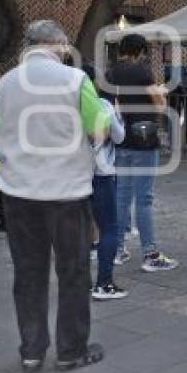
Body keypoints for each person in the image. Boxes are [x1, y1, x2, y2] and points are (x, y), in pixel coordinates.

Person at [0, 20, 109, 373]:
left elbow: (2, 133)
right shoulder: (75, 81)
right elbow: (98, 129)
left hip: (18, 191)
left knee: (28, 273)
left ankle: (31, 349)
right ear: (58, 45)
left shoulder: (1, 86)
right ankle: (71, 349)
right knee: (73, 272)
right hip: (66, 192)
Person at [107, 34, 178, 272]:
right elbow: (158, 104)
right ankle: (150, 253)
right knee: (144, 198)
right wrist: (160, 91)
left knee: (121, 196)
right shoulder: (141, 71)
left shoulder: (112, 72)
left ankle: (117, 249)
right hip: (144, 139)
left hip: (122, 137)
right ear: (140, 51)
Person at [82, 64, 128, 300]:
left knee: (77, 230)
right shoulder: (103, 105)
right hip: (101, 174)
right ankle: (104, 282)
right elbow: (119, 136)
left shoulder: (60, 107)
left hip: (72, 175)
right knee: (109, 227)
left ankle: (78, 284)